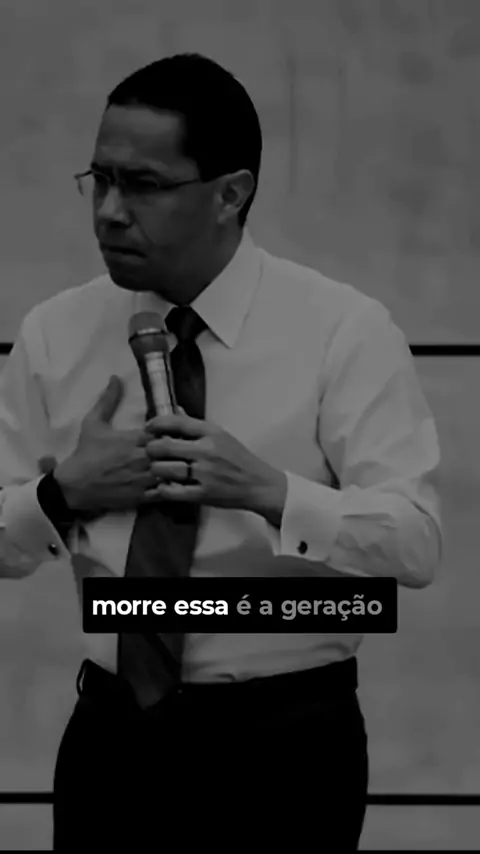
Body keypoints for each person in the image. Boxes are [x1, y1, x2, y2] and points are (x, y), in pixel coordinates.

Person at [0, 53, 442, 850]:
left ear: (230, 194)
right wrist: (64, 496)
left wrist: (270, 491)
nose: (109, 212)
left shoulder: (343, 332)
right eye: (99, 181)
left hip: (285, 744)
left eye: (142, 185)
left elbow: (415, 545)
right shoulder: (53, 334)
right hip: (112, 740)